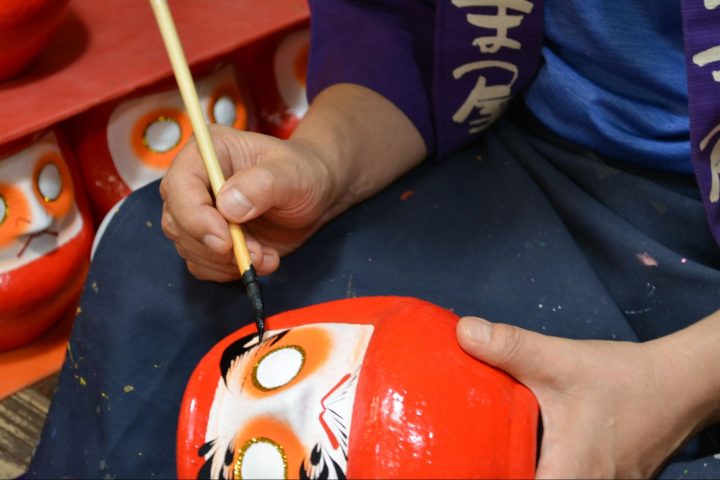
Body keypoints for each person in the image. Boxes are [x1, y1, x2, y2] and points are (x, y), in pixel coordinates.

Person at [28, 1, 720, 478]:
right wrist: (323, 162)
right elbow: (414, 30)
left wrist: (671, 388)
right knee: (164, 263)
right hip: (531, 149)